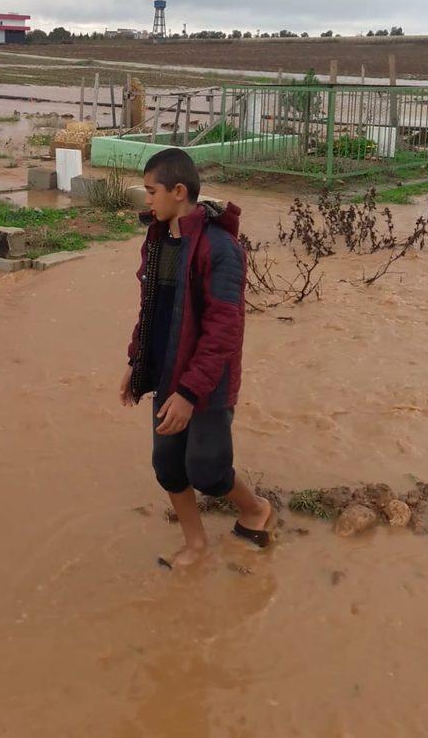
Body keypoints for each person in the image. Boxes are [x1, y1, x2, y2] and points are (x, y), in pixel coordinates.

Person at [120, 147, 273, 567]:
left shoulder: (221, 249)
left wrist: (189, 392)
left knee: (208, 470)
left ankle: (256, 509)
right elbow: (150, 308)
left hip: (208, 382)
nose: (147, 200)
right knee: (167, 465)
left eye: (152, 192)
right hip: (168, 373)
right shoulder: (157, 241)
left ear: (179, 191)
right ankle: (195, 545)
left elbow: (224, 330)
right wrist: (136, 362)